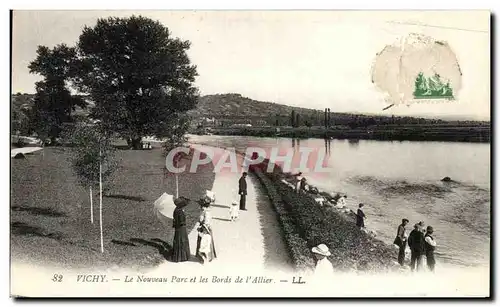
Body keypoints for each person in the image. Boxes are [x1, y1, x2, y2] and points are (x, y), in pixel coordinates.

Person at [195, 197, 217, 263]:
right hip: (208, 228)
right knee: (208, 241)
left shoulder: (203, 212)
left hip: (204, 228)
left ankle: (203, 256)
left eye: (201, 206)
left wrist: (199, 221)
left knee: (203, 241)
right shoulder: (209, 211)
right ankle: (210, 255)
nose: (201, 207)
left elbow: (202, 220)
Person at [171, 197, 191, 262]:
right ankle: (182, 256)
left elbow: (175, 220)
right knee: (182, 240)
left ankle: (177, 256)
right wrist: (184, 216)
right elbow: (182, 222)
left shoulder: (175, 210)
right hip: (181, 228)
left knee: (178, 240)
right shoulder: (180, 212)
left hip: (177, 228)